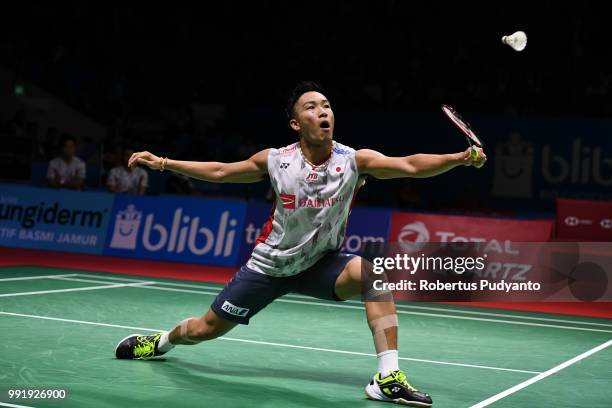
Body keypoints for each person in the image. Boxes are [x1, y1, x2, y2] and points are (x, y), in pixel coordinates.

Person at [115, 82, 486, 406]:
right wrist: (163, 163)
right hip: (269, 267)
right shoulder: (276, 160)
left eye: (326, 106)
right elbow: (221, 171)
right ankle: (161, 341)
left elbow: (409, 165)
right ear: (296, 124)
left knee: (374, 274)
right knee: (202, 330)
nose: (322, 112)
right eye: (312, 107)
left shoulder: (354, 161)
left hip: (320, 265)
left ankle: (387, 378)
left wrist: (458, 159)